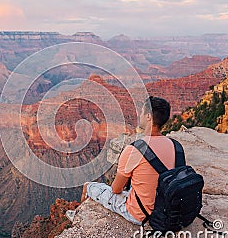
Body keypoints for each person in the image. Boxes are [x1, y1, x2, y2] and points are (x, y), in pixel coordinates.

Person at [74, 96, 176, 224]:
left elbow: (116, 190)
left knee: (88, 186)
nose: (140, 115)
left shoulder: (134, 149)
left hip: (139, 214)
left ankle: (78, 219)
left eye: (142, 112)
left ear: (149, 116)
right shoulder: (174, 145)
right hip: (165, 209)